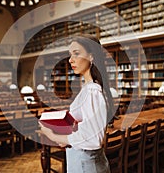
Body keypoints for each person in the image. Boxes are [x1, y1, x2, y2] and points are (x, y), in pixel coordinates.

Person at [37, 34, 116, 173]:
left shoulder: (92, 91)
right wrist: (65, 139)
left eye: (76, 53)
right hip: (85, 161)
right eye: (70, 54)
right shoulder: (90, 88)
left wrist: (52, 135)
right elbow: (85, 128)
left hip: (86, 165)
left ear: (91, 57)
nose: (70, 59)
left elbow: (94, 139)